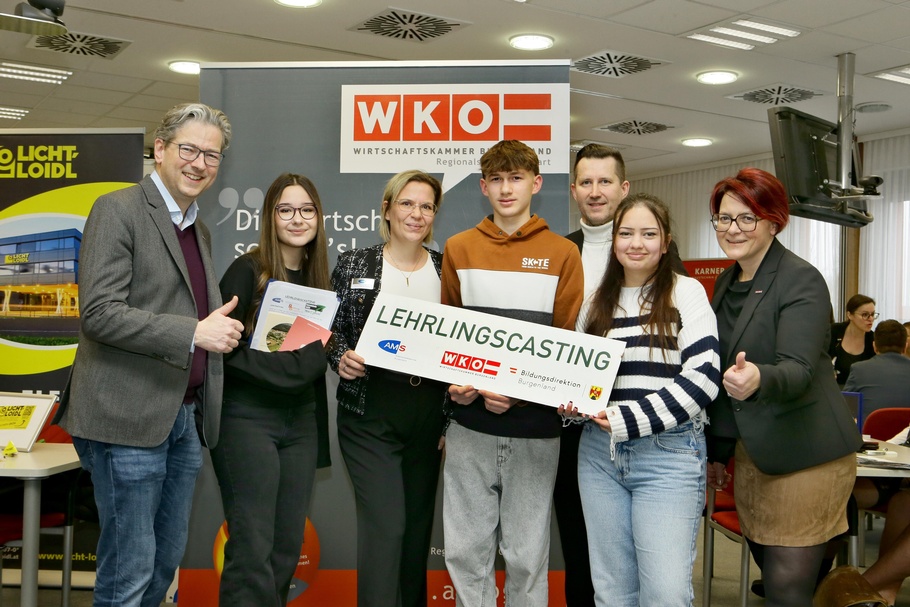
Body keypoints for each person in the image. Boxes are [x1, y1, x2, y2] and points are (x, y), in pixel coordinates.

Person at [54, 102, 243, 607]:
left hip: (181, 418)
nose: (200, 163)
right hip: (126, 418)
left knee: (163, 562)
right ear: (160, 149)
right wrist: (195, 333)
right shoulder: (118, 209)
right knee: (130, 569)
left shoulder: (198, 228)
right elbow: (99, 313)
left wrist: (213, 333)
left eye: (212, 155)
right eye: (189, 149)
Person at [705, 167, 862, 607]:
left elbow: (798, 368)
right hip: (754, 456)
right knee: (777, 579)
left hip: (805, 454)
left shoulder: (799, 278)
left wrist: (759, 377)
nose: (732, 229)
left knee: (786, 589)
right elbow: (723, 371)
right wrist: (718, 450)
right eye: (724, 218)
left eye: (747, 218)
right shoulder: (726, 281)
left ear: (774, 222)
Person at [441, 140, 584, 607]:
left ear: (535, 184)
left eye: (516, 178)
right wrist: (457, 383)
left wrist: (519, 394)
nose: (506, 189)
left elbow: (565, 345)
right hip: (469, 427)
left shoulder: (564, 253)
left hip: (535, 429)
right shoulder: (458, 248)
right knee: (466, 555)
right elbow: (450, 336)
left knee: (526, 557)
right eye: (497, 179)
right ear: (484, 187)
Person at [566, 193, 720, 606]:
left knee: (665, 593)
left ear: (666, 242)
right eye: (626, 233)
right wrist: (571, 404)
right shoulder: (594, 302)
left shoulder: (686, 292)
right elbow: (578, 381)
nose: (636, 243)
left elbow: (704, 379)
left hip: (668, 455)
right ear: (613, 241)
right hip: (598, 456)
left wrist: (625, 419)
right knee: (612, 592)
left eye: (649, 234)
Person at [557, 143, 687, 606]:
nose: (596, 191)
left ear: (623, 187)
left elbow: (682, 349)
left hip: (648, 430)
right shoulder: (560, 250)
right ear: (574, 190)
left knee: (650, 563)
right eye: (586, 182)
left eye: (605, 181)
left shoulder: (662, 260)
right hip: (573, 428)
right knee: (583, 551)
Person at [329, 170, 448, 607]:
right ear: (387, 209)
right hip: (369, 411)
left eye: (426, 206)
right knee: (387, 528)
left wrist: (449, 422)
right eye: (407, 203)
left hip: (428, 414)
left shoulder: (445, 269)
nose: (416, 214)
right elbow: (328, 328)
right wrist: (339, 356)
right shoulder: (354, 264)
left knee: (416, 534)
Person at [212, 173, 332, 606]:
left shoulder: (319, 281)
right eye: (286, 210)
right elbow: (222, 349)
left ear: (318, 216)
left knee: (285, 549)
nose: (297, 219)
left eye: (307, 210)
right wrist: (293, 367)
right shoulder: (246, 270)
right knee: (252, 547)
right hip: (246, 420)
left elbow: (317, 360)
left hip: (300, 423)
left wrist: (300, 367)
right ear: (270, 217)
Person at [844, 319, 910, 419]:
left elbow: (845, 410)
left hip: (870, 429)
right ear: (905, 346)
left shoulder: (859, 370)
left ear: (874, 346)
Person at [829, 294, 877, 386]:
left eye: (872, 314)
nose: (871, 319)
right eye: (865, 315)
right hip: (831, 388)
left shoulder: (873, 340)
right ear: (850, 315)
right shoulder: (833, 332)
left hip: (860, 389)